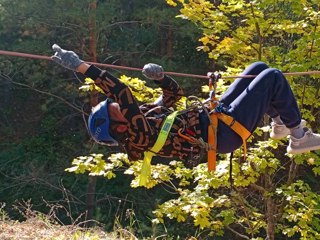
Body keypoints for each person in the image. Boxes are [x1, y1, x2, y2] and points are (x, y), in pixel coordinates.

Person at [51, 44, 320, 168]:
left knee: (258, 69)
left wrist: (161, 79)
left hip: (214, 118)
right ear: (119, 127)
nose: (119, 107)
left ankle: (282, 124)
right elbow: (122, 92)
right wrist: (81, 66)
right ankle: (297, 137)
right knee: (272, 77)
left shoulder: (147, 119)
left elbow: (174, 95)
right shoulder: (139, 135)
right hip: (221, 134)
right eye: (114, 111)